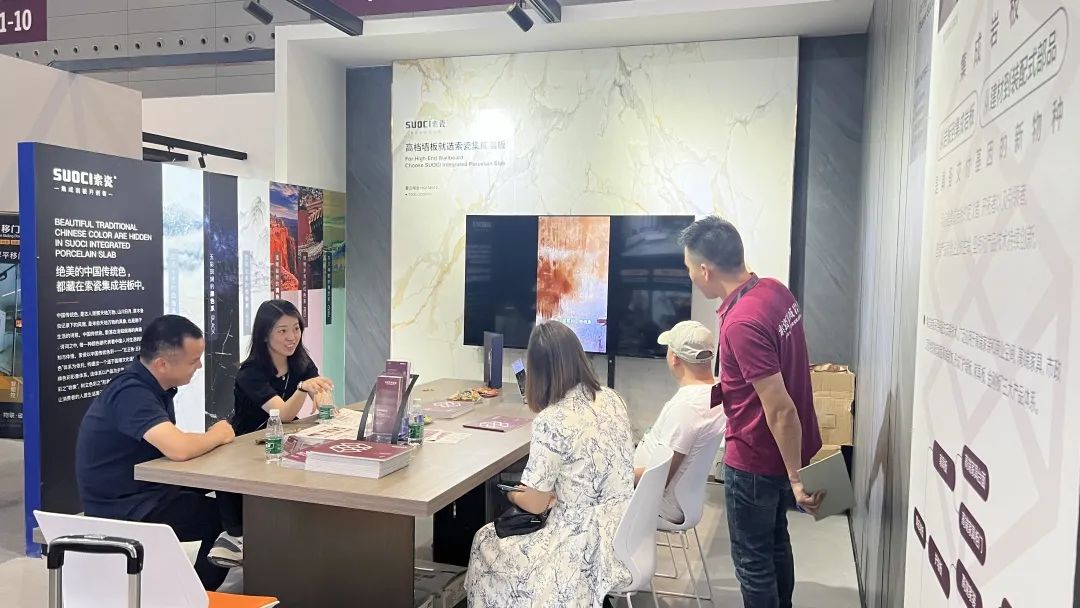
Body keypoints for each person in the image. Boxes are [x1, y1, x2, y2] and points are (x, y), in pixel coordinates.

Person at [678, 216, 823, 608]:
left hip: (756, 459)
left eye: (689, 268)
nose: (690, 276)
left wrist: (796, 479)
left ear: (705, 270)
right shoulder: (774, 291)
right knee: (775, 544)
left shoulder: (742, 321)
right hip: (781, 453)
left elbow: (780, 410)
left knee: (752, 562)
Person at [465, 321, 636, 607]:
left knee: (485, 541)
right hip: (625, 532)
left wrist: (510, 492)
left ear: (538, 371)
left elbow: (535, 503)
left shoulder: (552, 420)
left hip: (581, 545)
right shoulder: (612, 398)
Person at [75, 315, 236, 591]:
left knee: (232, 500)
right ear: (162, 364)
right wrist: (217, 435)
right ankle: (195, 596)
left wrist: (207, 439)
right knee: (228, 521)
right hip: (124, 506)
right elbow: (178, 448)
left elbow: (174, 442)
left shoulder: (152, 386)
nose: (199, 366)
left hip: (147, 489)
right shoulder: (131, 392)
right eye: (193, 361)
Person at [208, 299, 334, 568]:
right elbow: (281, 414)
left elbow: (320, 395)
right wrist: (303, 389)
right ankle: (234, 541)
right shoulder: (250, 372)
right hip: (246, 445)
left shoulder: (301, 361)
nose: (292, 337)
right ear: (265, 334)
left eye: (296, 328)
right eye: (282, 330)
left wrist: (323, 401)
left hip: (282, 441)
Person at [632, 320, 726, 524]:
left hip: (657, 504)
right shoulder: (717, 391)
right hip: (683, 500)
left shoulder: (686, 407)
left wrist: (618, 476)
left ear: (674, 358)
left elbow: (659, 477)